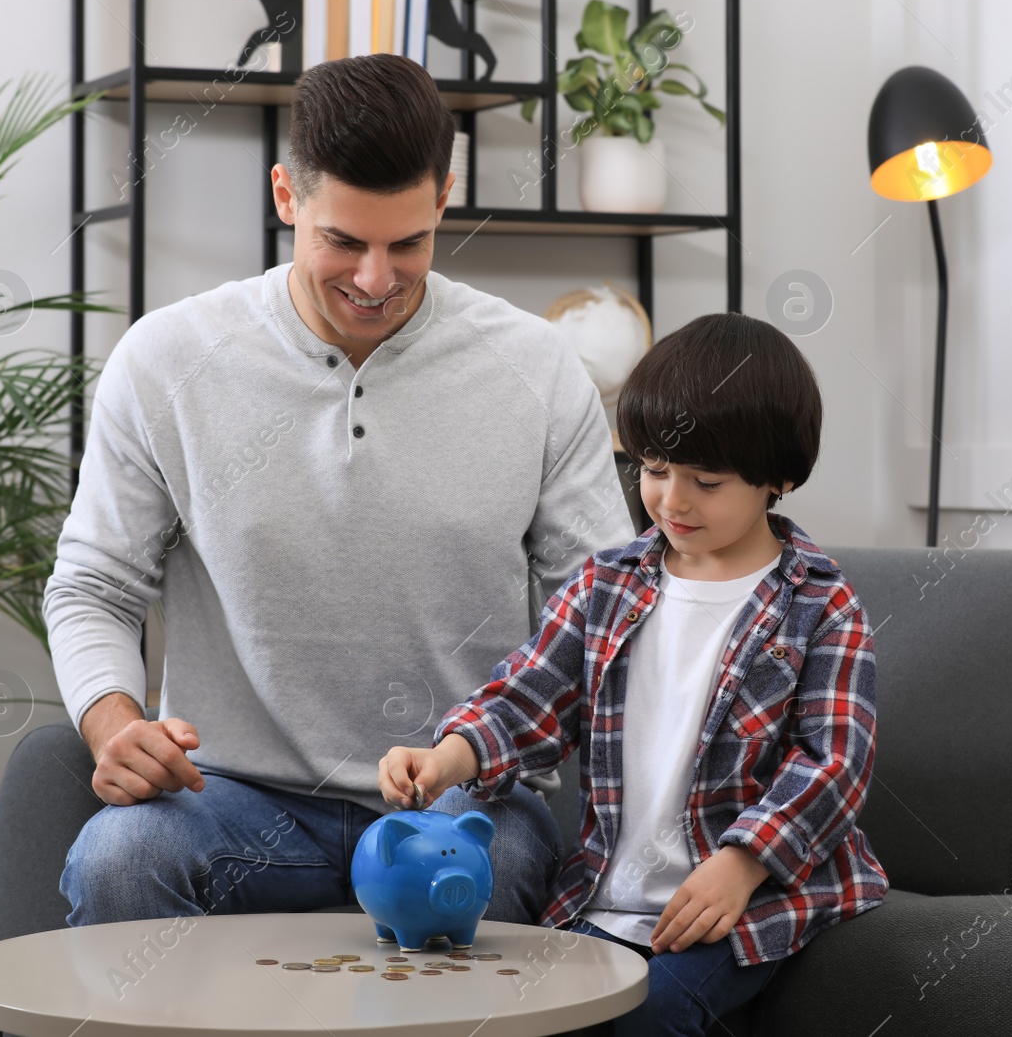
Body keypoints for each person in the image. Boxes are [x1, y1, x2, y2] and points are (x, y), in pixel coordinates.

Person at [45, 53, 633, 928]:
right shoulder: (165, 362)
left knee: (500, 864)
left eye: (408, 243)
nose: (375, 279)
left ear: (444, 198)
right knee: (122, 858)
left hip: (456, 801)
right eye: (344, 241)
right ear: (287, 196)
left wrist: (473, 757)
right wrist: (112, 722)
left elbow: (606, 614)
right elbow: (93, 585)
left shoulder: (537, 371)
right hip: (235, 798)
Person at [379, 313, 887, 1036]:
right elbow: (526, 699)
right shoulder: (608, 584)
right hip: (605, 894)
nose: (671, 500)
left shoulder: (820, 604)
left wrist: (743, 863)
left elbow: (833, 763)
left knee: (655, 1010)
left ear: (779, 476)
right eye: (653, 470)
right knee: (536, 1013)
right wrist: (444, 758)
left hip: (750, 894)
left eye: (705, 481)